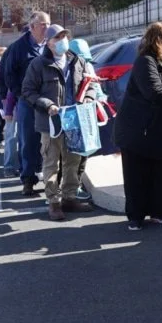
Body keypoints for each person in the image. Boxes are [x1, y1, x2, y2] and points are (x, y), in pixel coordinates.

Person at [21, 24, 95, 221]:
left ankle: (69, 198)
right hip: (51, 122)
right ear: (49, 43)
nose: (62, 40)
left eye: (64, 36)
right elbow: (28, 91)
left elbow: (90, 84)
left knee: (73, 161)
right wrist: (47, 105)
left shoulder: (77, 61)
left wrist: (88, 98)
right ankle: (53, 202)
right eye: (57, 38)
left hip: (74, 119)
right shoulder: (38, 64)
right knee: (51, 163)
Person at [112, 22, 162, 231]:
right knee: (136, 176)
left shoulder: (161, 62)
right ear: (158, 40)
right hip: (137, 130)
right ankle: (136, 217)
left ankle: (160, 213)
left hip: (152, 130)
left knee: (158, 173)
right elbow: (155, 93)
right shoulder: (146, 62)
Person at [1, 11, 51, 196]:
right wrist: (20, 94)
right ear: (32, 27)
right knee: (27, 140)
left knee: (50, 142)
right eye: (43, 24)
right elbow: (8, 74)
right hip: (27, 101)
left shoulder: (51, 45)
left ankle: (50, 179)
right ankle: (28, 179)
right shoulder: (18, 47)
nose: (47, 28)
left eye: (48, 24)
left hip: (48, 101)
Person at [69, 38, 106, 202]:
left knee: (79, 152)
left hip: (78, 114)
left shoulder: (80, 64)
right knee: (77, 153)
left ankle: (73, 185)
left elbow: (93, 87)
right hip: (78, 115)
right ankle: (73, 186)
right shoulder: (77, 65)